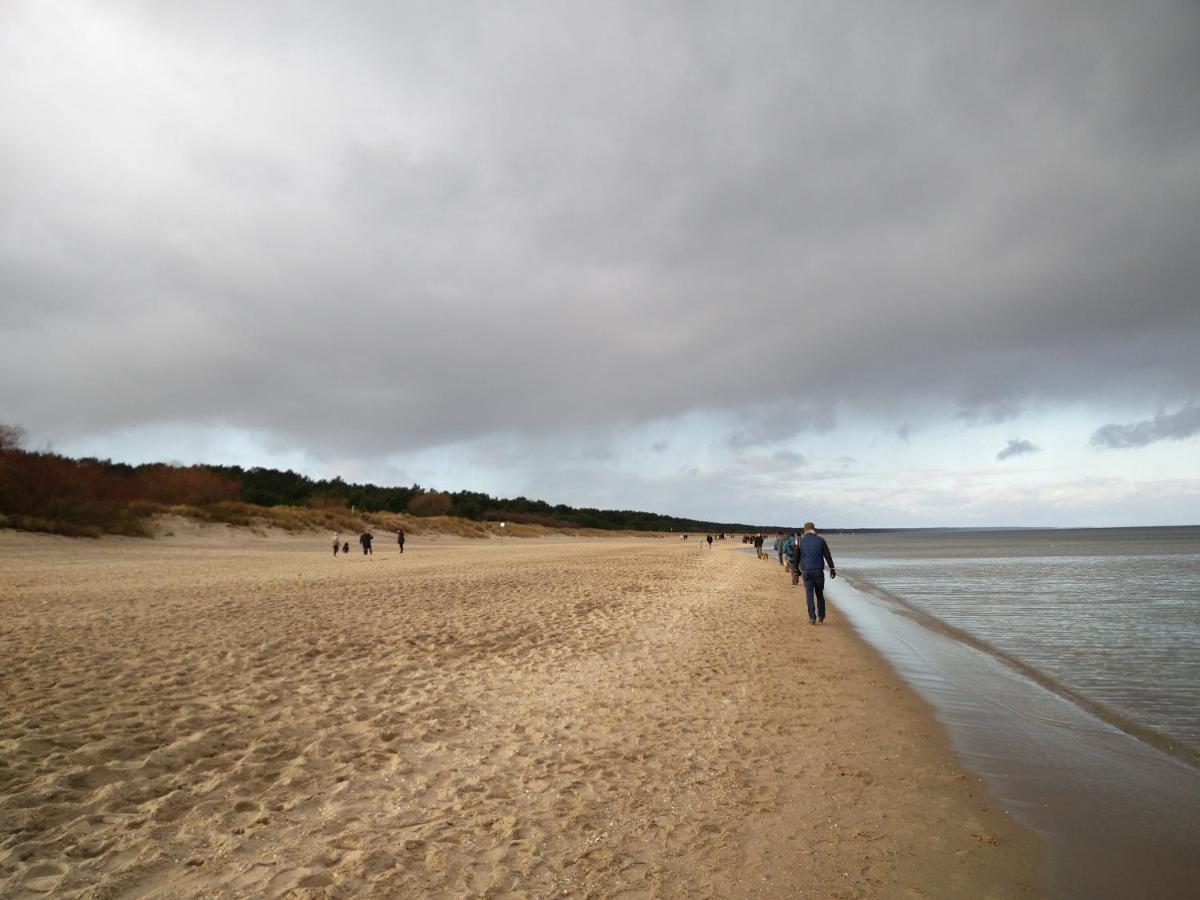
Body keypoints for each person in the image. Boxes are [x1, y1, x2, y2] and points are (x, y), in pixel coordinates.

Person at [792, 522, 836, 624]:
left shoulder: (800, 541)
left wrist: (796, 570)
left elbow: (796, 556)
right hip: (818, 570)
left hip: (806, 571)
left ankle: (812, 617)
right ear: (813, 529)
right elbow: (827, 555)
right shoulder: (821, 540)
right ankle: (821, 615)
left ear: (805, 530)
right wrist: (832, 568)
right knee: (819, 593)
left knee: (809, 594)